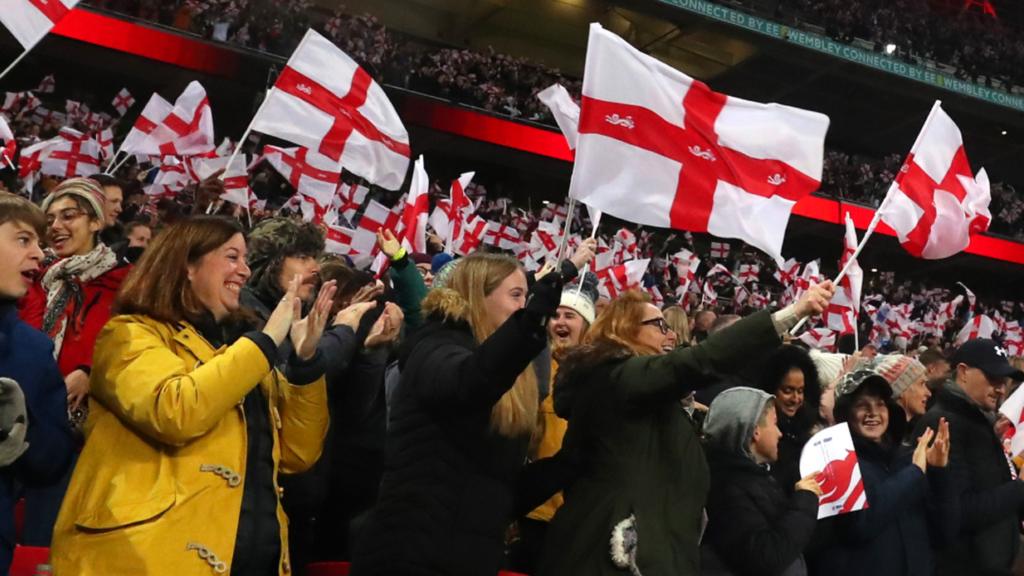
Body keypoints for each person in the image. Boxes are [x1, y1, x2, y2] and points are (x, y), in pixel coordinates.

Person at [49, 216, 334, 575]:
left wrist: (306, 362)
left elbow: (297, 454)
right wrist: (265, 341)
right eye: (232, 257)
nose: (245, 271)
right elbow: (175, 411)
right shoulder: (128, 335)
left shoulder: (239, 347)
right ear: (186, 264)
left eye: (246, 259)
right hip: (147, 562)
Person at [537, 282, 835, 576]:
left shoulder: (652, 400)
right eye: (659, 326)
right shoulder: (620, 377)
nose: (672, 335)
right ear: (624, 330)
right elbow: (697, 362)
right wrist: (792, 313)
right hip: (613, 557)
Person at [352, 253, 569, 576]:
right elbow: (468, 384)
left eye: (527, 296)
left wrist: (572, 460)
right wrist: (529, 324)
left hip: (470, 558)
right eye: (516, 295)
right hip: (410, 554)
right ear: (477, 294)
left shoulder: (507, 375)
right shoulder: (435, 342)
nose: (524, 305)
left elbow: (498, 492)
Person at [18, 178, 131, 546]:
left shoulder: (125, 285)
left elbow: (132, 351)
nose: (56, 226)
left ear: (97, 221)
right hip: (21, 426)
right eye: (49, 218)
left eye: (69, 215)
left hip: (81, 442)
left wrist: (91, 372)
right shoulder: (29, 278)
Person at [811, 369, 955, 576]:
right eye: (862, 405)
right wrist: (914, 473)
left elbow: (945, 530)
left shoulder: (908, 458)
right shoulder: (834, 463)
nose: (873, 413)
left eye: (880, 404)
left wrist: (940, 472)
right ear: (846, 413)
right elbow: (859, 526)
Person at [0, 194, 74, 572]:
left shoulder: (32, 349)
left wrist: (21, 428)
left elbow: (50, 463)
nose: (40, 255)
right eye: (23, 239)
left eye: (40, 243)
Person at [510, 274, 599, 574]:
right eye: (555, 315)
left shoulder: (599, 373)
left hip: (578, 512)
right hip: (535, 507)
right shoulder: (536, 368)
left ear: (586, 325)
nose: (560, 321)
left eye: (569, 316)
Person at [914, 338, 1024, 576]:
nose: (1001, 389)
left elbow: (988, 484)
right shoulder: (942, 424)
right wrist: (1021, 487)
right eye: (993, 378)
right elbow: (961, 511)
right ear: (963, 372)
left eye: (1003, 381)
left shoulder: (980, 421)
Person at [702, 387, 822, 576]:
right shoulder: (727, 488)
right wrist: (805, 501)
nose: (779, 433)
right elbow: (767, 557)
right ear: (756, 431)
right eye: (774, 424)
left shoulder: (754, 476)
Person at [758, 344, 823, 492]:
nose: (795, 398)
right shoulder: (764, 440)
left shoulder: (807, 433)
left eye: (800, 391)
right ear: (770, 389)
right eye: (788, 390)